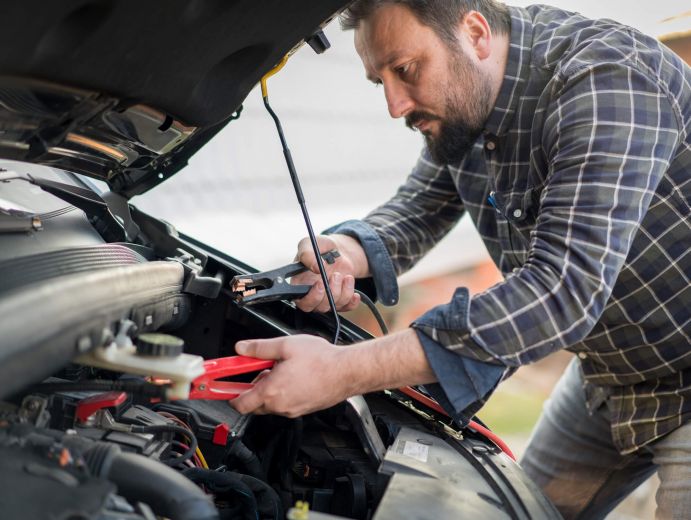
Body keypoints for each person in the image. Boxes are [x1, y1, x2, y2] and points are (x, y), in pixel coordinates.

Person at [231, 1, 691, 517]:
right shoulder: (469, 100)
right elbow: (418, 210)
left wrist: (342, 371)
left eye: (405, 71)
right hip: (608, 374)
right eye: (378, 81)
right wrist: (343, 254)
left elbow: (560, 291)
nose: (394, 105)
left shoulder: (609, 81)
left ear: (474, 33)